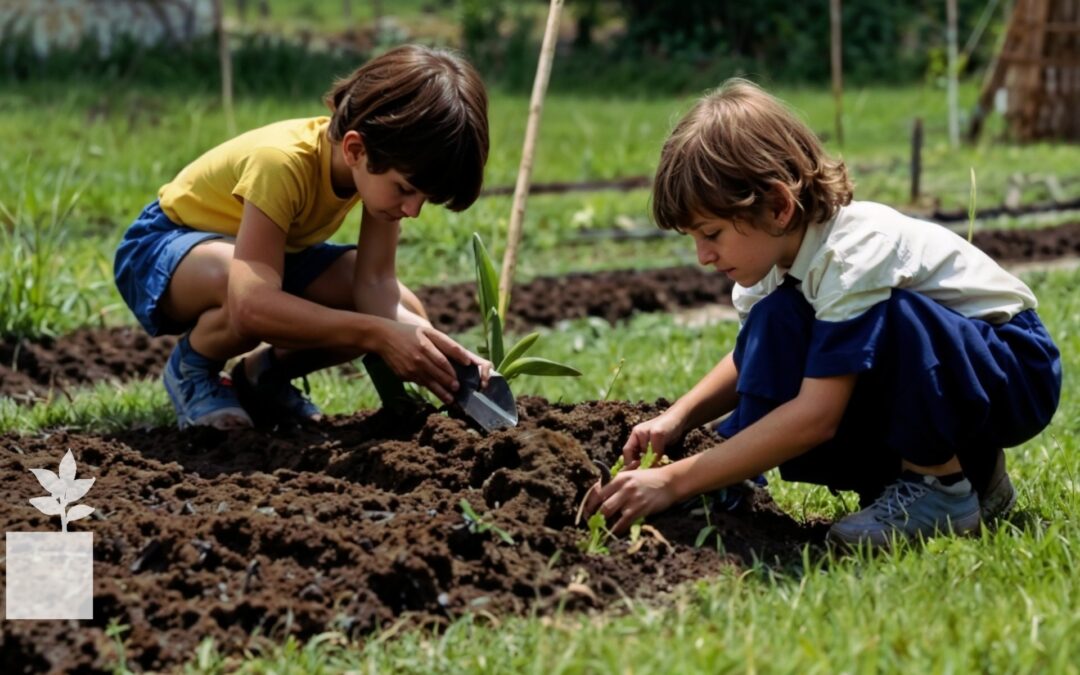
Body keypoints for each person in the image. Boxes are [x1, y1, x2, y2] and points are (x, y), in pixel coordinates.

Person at [585, 79, 1062, 547]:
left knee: (891, 320)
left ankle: (940, 489)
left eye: (711, 234)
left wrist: (675, 481)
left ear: (777, 206)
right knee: (778, 324)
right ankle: (978, 473)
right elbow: (750, 359)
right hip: (956, 374)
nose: (702, 257)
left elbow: (817, 417)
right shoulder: (772, 261)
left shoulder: (852, 255)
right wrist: (679, 417)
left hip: (1012, 371)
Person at [114, 45, 492, 430]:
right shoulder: (280, 162)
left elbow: (375, 285)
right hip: (162, 248)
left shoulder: (379, 168)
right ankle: (193, 368)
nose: (412, 210)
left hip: (269, 256)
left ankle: (263, 375)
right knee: (238, 283)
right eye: (406, 190)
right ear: (356, 149)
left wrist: (434, 348)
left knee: (401, 308)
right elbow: (251, 304)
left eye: (425, 198)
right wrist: (377, 334)